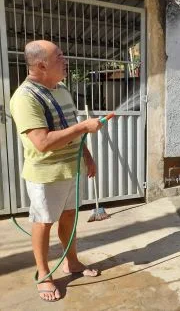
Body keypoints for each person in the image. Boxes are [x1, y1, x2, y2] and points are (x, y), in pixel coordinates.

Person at [10, 40, 103, 302]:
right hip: (46, 175)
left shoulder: (62, 89)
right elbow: (42, 143)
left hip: (71, 168)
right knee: (43, 223)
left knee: (69, 217)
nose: (66, 61)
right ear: (41, 64)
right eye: (60, 57)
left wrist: (87, 155)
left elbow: (70, 127)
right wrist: (84, 128)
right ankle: (43, 274)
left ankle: (71, 262)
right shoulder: (25, 98)